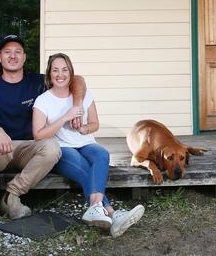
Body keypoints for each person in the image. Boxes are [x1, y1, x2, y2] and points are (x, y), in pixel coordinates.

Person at [0, 35, 86, 223]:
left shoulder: (37, 82)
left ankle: (11, 196)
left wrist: (77, 106)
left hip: (30, 149)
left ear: (24, 57)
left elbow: (76, 79)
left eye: (17, 52)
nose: (13, 56)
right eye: (7, 52)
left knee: (52, 148)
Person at [33, 52, 145, 238]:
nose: (60, 74)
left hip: (85, 143)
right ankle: (112, 213)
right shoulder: (43, 100)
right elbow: (38, 135)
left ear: (70, 72)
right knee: (85, 167)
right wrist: (65, 117)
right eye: (55, 70)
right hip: (62, 148)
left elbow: (95, 124)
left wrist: (84, 129)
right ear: (49, 74)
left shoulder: (83, 94)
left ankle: (95, 208)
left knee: (102, 154)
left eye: (64, 70)